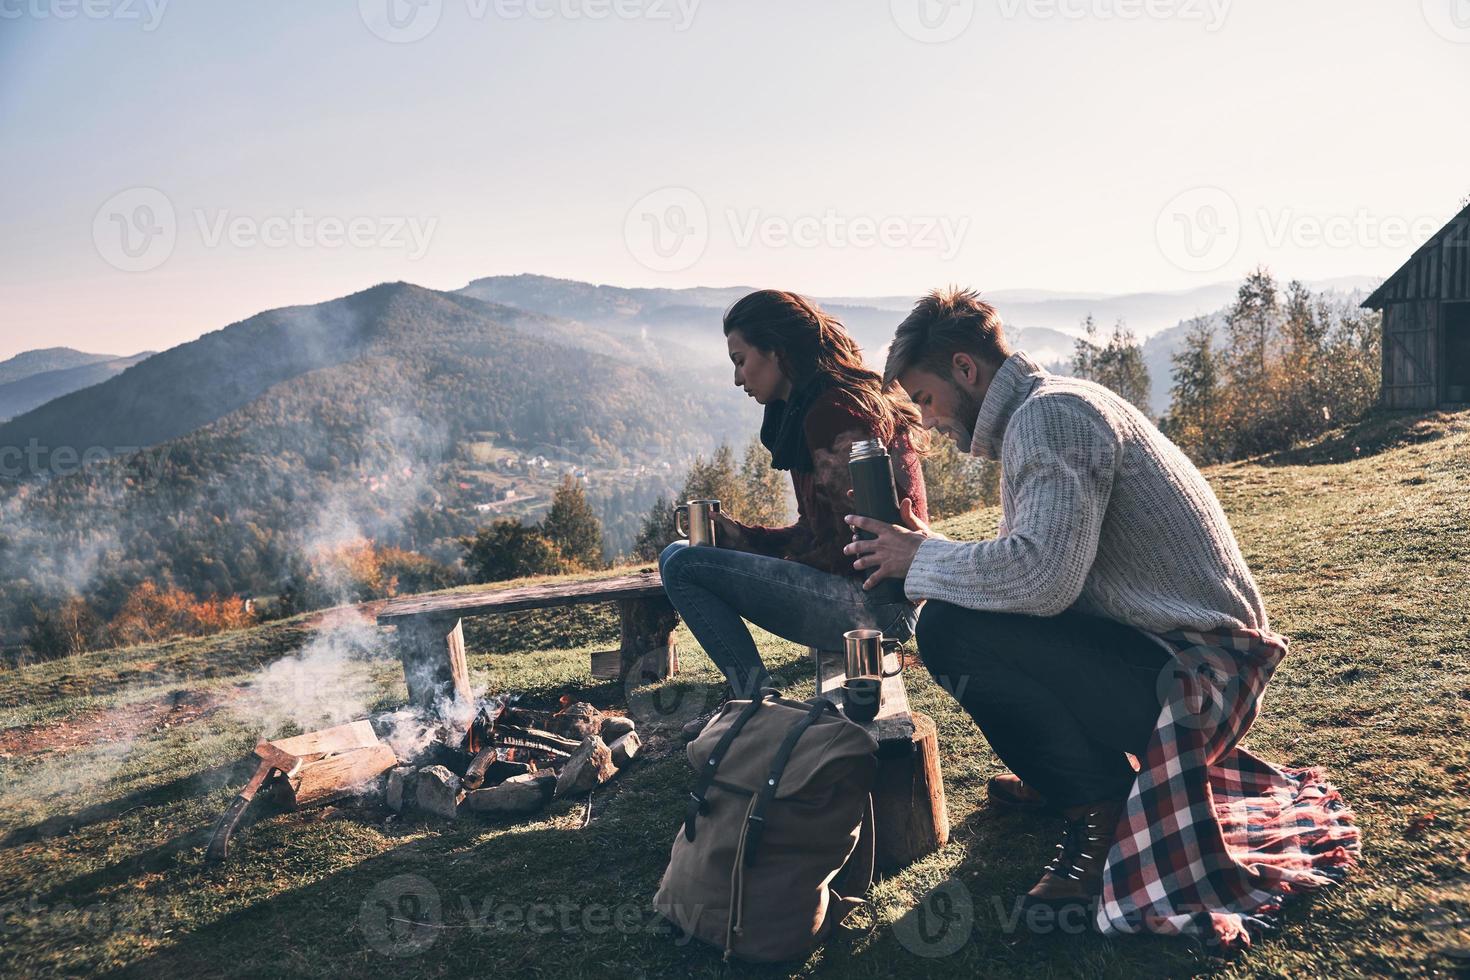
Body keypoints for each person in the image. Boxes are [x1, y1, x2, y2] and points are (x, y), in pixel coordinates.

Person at [843, 287, 1357, 945]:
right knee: (966, 619)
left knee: (949, 631)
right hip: (1186, 664)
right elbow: (1037, 574)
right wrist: (929, 554)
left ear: (966, 370)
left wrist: (922, 559)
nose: (930, 422)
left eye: (927, 399)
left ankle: (1095, 806)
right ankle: (1070, 773)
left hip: (1195, 679)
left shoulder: (1050, 418)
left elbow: (1042, 579)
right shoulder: (1050, 407)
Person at [658, 289, 929, 734]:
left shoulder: (829, 413)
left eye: (741, 360)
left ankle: (753, 706)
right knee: (677, 555)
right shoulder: (821, 401)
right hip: (880, 596)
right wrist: (745, 541)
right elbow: (824, 533)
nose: (737, 378)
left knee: (683, 564)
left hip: (876, 611)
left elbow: (843, 551)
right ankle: (753, 701)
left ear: (777, 352)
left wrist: (747, 552)